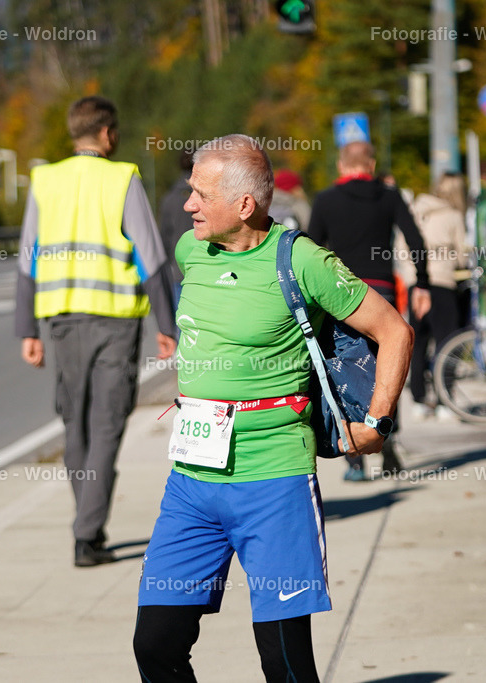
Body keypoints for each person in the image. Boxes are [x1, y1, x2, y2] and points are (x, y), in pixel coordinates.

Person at [133, 135, 414, 682]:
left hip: (275, 479)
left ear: (244, 205)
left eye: (200, 194)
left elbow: (393, 330)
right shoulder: (192, 251)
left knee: (284, 664)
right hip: (192, 480)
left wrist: (376, 422)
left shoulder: (299, 259)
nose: (188, 205)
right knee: (155, 646)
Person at [15, 95, 178, 567]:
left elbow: (28, 256)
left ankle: (87, 523)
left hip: (61, 321)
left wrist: (27, 327)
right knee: (107, 423)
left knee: (77, 422)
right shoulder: (122, 177)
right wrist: (166, 324)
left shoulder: (45, 179)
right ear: (108, 134)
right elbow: (152, 254)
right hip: (115, 320)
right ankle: (87, 534)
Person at [308, 141, 431, 478]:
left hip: (340, 296)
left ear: (341, 166)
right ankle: (387, 440)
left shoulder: (325, 200)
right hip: (382, 293)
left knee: (344, 370)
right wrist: (422, 282)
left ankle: (354, 458)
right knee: (389, 368)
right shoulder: (390, 197)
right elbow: (415, 240)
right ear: (372, 165)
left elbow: (310, 249)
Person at [397, 172, 471, 417]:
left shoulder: (415, 209)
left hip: (416, 284)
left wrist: (411, 278)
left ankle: (418, 398)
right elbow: (462, 254)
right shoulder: (453, 215)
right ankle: (443, 398)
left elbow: (401, 247)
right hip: (443, 283)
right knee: (446, 342)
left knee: (418, 342)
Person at [157, 149, 195, 308]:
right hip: (206, 268)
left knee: (182, 321)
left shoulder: (169, 199)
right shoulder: (208, 196)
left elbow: (164, 238)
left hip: (177, 271)